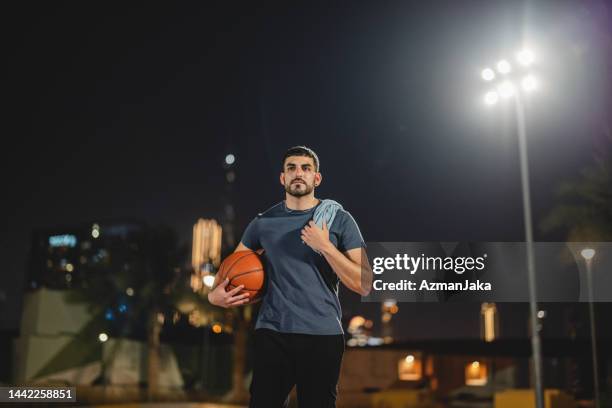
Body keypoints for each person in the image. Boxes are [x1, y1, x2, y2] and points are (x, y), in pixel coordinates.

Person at [208, 145, 372, 408]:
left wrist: (326, 246)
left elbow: (364, 284)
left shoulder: (340, 221)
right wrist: (213, 295)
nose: (299, 173)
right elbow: (229, 270)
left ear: (316, 178)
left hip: (323, 335)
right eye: (291, 168)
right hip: (273, 333)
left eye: (306, 168)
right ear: (282, 178)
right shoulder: (263, 223)